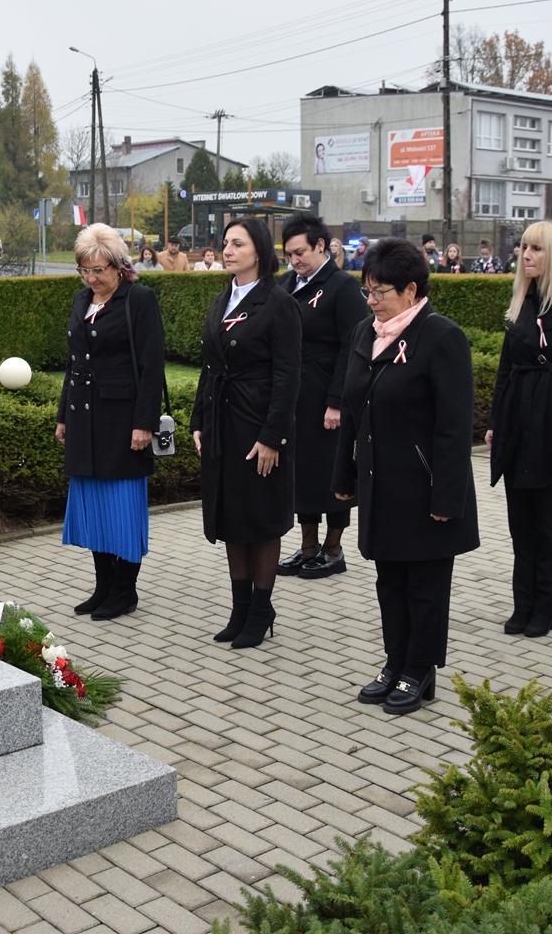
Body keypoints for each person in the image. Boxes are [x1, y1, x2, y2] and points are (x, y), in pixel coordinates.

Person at [330, 238, 477, 715]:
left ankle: (421, 668)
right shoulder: (364, 333)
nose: (371, 301)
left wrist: (446, 497)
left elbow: (454, 427)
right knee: (389, 580)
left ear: (411, 290)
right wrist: (344, 475)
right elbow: (351, 412)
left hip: (425, 485)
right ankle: (395, 661)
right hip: (379, 482)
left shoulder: (441, 337)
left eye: (381, 292)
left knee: (425, 585)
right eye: (367, 291)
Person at [192, 217, 302, 651]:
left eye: (237, 243)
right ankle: (239, 608)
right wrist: (200, 420)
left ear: (258, 249)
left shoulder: (278, 304)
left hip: (258, 426)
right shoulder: (223, 299)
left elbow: (289, 376)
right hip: (223, 425)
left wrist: (273, 436)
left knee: (260, 519)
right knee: (232, 519)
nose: (227, 250)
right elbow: (210, 368)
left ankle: (261, 609)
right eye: (224, 243)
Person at [487, 221, 552, 640]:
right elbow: (505, 368)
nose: (526, 255)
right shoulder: (521, 300)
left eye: (536, 249)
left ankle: (544, 606)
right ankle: (522, 603)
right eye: (524, 247)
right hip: (518, 417)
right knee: (520, 521)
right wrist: (496, 422)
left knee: (549, 522)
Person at [57, 225, 167, 622]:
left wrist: (144, 423)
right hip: (84, 418)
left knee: (121, 508)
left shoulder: (139, 300)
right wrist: (62, 414)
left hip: (123, 421)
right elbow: (74, 364)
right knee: (94, 508)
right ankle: (103, 586)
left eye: (99, 270)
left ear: (119, 267)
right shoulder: (80, 300)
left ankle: (125, 591)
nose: (91, 278)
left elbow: (152, 366)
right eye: (84, 270)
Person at [276, 214, 365, 581]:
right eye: (289, 254)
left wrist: (337, 401)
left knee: (331, 473)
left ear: (321, 247)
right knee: (303, 475)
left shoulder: (342, 287)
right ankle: (307, 546)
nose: (294, 260)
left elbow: (354, 345)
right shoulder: (286, 285)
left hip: (326, 397)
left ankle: (333, 548)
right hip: (295, 397)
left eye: (300, 253)